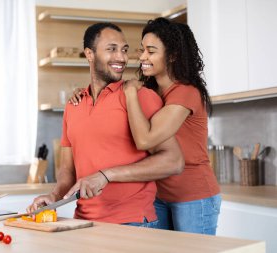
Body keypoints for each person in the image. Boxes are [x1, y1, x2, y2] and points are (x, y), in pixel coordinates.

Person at [69, 18, 221, 235]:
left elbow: (145, 140)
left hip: (192, 195)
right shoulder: (152, 90)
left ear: (172, 55)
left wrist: (130, 92)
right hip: (160, 194)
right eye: (142, 50)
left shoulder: (186, 92)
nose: (142, 57)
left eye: (151, 51)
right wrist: (82, 94)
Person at [27, 22, 184, 227]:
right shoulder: (73, 105)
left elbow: (173, 161)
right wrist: (54, 197)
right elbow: (68, 170)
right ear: (89, 54)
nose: (121, 57)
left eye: (124, 50)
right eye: (111, 49)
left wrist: (106, 176)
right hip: (83, 222)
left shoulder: (138, 97)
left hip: (132, 222)